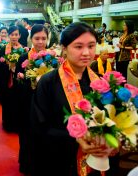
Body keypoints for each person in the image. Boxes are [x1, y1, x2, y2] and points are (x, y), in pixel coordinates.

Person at [30, 22, 119, 176]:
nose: (86, 53)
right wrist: (76, 139)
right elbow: (39, 127)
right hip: (60, 160)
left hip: (96, 160)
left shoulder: (100, 82)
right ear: (64, 48)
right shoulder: (49, 82)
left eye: (91, 46)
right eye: (78, 47)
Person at [15, 24, 53, 174]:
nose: (40, 42)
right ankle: (27, 164)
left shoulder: (52, 59)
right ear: (31, 39)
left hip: (47, 106)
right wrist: (29, 83)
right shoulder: (23, 58)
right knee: (27, 136)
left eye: (44, 38)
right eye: (37, 38)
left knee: (44, 136)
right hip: (27, 104)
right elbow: (17, 85)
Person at [0, 25, 23, 132]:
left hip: (18, 80)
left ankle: (17, 124)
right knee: (7, 101)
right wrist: (8, 65)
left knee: (18, 102)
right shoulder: (4, 48)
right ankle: (7, 124)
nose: (14, 37)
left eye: (16, 34)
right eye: (12, 34)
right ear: (9, 35)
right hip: (6, 79)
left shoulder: (23, 49)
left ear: (20, 36)